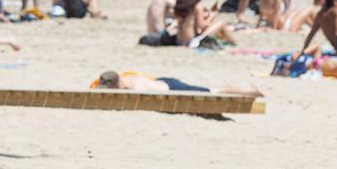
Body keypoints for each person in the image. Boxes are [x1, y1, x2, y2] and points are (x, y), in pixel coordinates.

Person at [93, 70, 261, 96]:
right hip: (163, 81)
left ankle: (249, 91)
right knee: (212, 89)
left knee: (214, 91)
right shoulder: (123, 77)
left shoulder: (130, 87)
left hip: (173, 87)